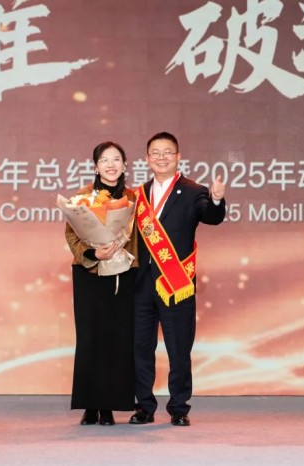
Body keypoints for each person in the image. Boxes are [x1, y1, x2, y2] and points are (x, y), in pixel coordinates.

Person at [129, 132, 226, 427]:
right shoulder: (136, 196)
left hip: (176, 283)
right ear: (147, 158)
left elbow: (212, 216)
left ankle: (179, 407)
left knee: (179, 348)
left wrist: (217, 199)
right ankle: (144, 406)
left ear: (178, 156)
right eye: (155, 153)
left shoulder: (193, 191)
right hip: (141, 284)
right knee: (140, 348)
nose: (161, 158)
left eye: (167, 152)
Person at [65, 141, 138, 426]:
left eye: (116, 159)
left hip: (123, 273)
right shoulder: (81, 197)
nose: (111, 165)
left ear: (124, 164)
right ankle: (90, 405)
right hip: (90, 273)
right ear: (96, 166)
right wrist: (93, 254)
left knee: (117, 339)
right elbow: (71, 235)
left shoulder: (134, 198)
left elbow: (139, 235)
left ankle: (109, 405)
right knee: (90, 338)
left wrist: (120, 249)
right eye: (105, 160)